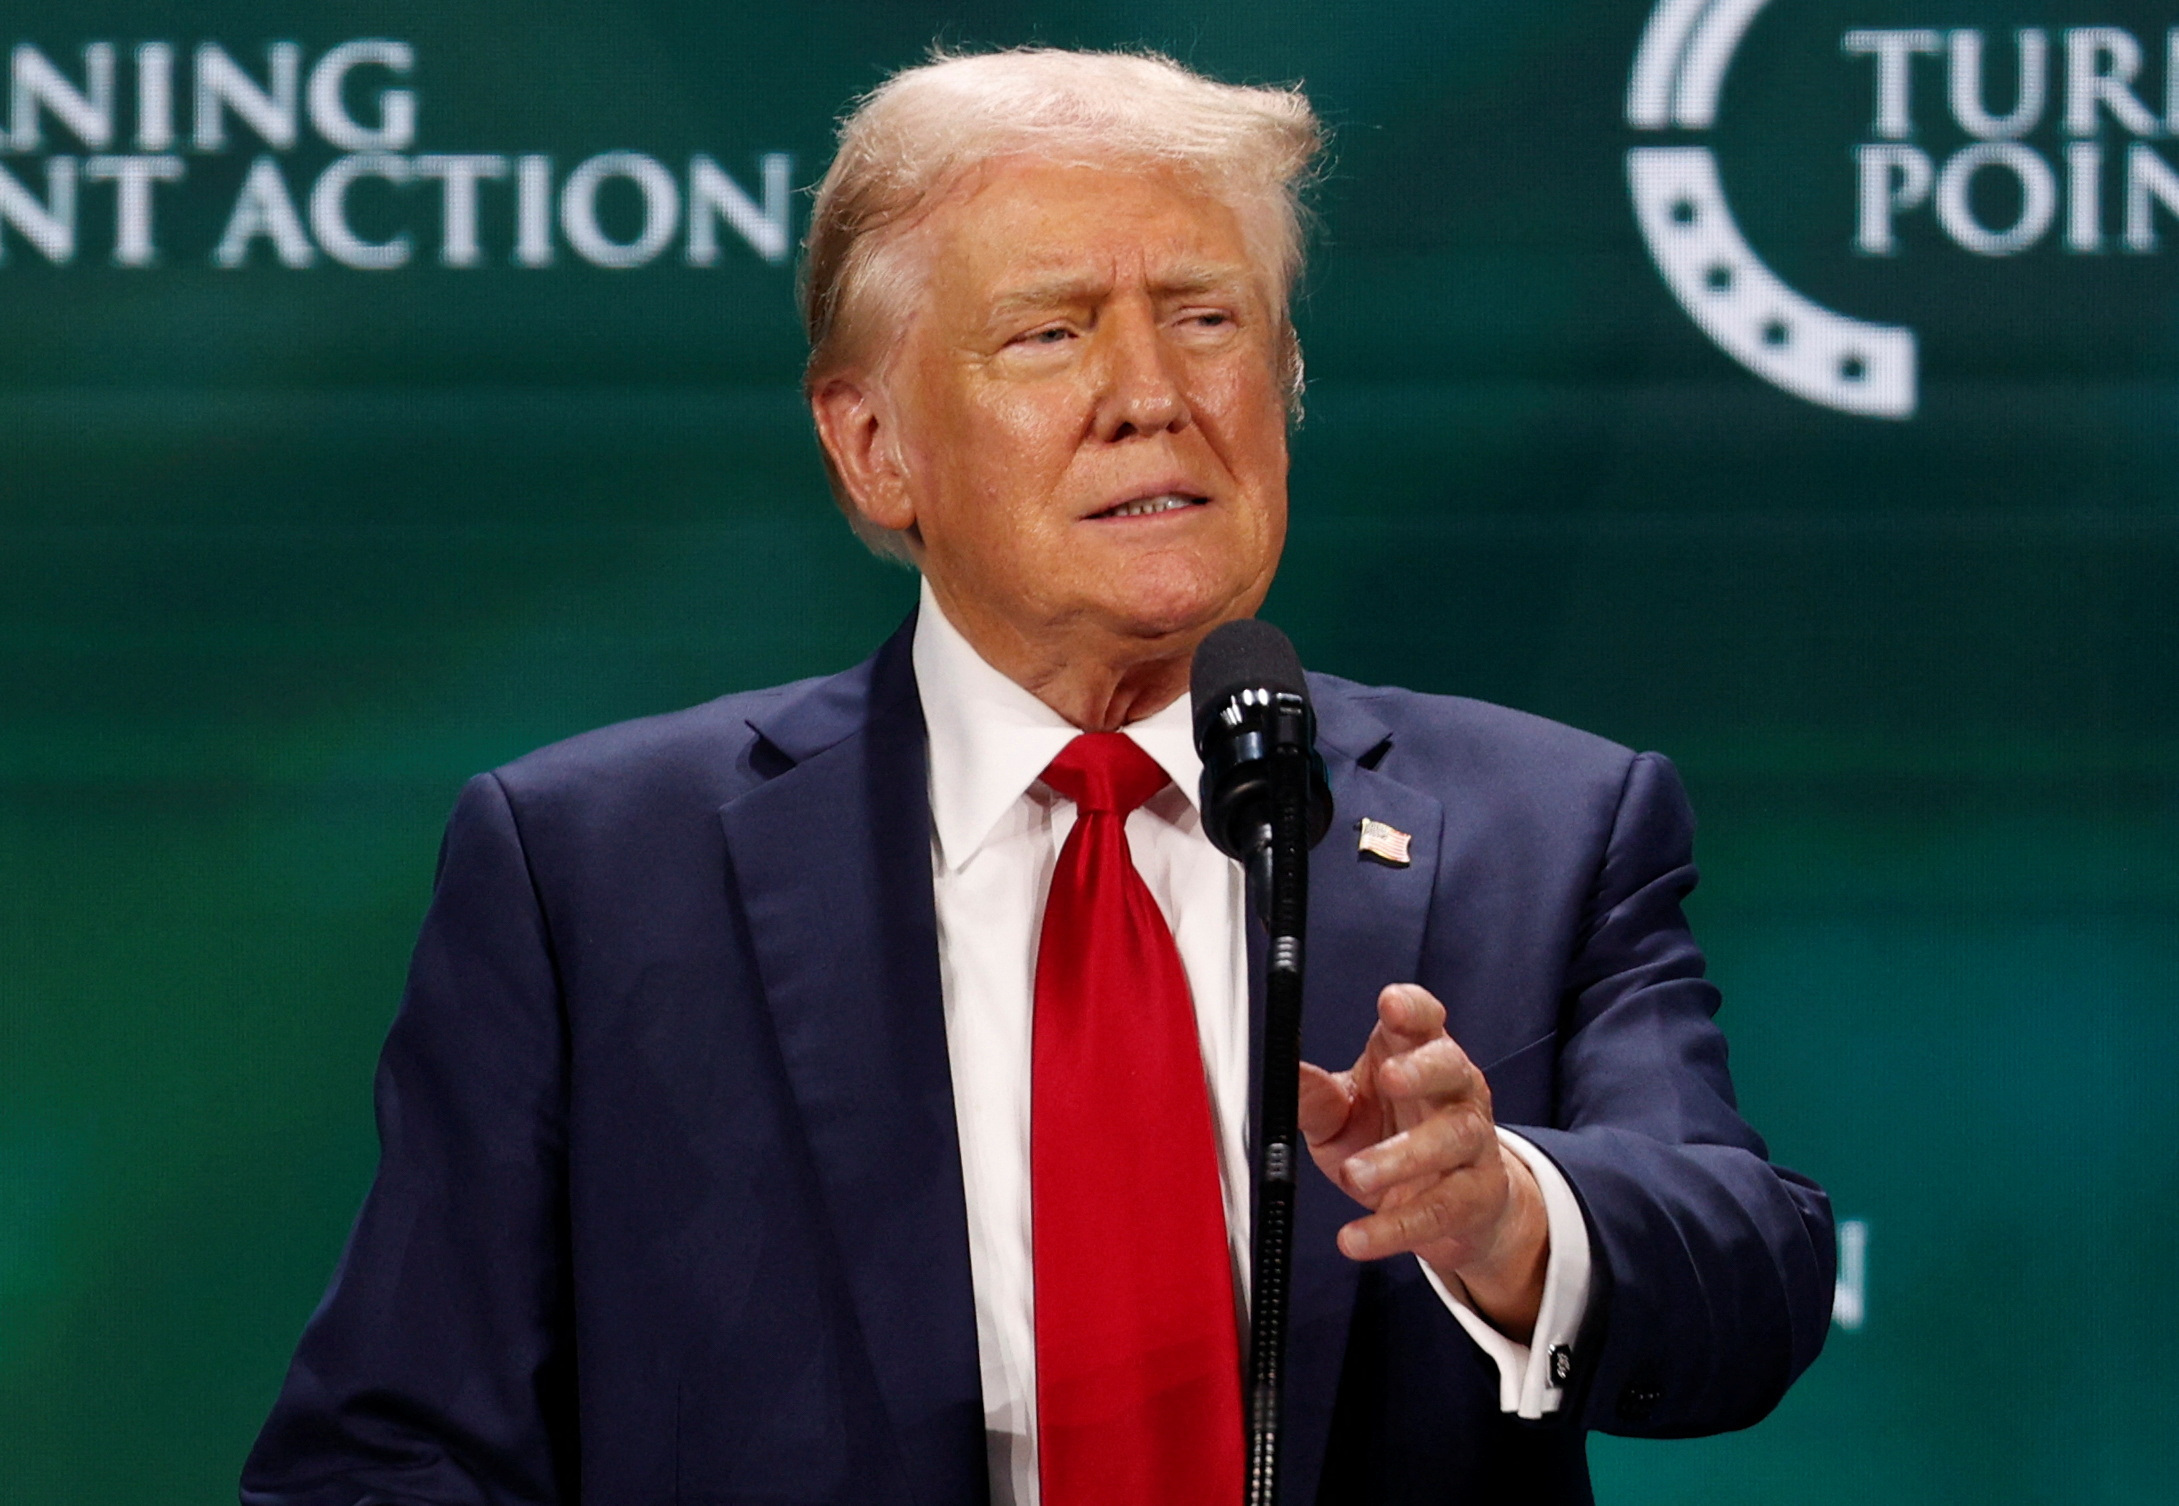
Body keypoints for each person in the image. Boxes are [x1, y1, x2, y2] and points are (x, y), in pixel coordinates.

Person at [242, 48, 1834, 1506]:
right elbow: (393, 1448)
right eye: (1053, 331)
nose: (1151, 394)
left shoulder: (1545, 826)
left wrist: (1507, 1218)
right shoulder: (593, 869)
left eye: (1207, 320)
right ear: (874, 445)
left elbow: (1754, 1273)